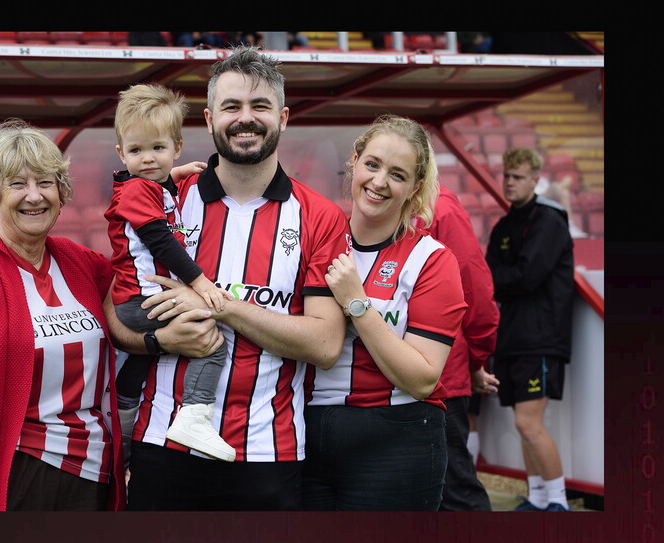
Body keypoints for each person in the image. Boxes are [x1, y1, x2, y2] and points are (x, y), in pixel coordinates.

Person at [0, 118, 220, 511]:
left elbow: (129, 315)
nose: (34, 196)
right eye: (17, 184)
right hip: (17, 477)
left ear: (62, 193)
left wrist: (158, 338)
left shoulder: (85, 266)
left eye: (45, 183)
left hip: (97, 477)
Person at [124, 45, 351, 511]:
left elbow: (326, 345)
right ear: (208, 120)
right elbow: (116, 309)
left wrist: (217, 304)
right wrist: (160, 340)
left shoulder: (319, 216)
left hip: (268, 452)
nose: (245, 118)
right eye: (231, 107)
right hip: (163, 444)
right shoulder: (164, 198)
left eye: (260, 106)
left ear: (283, 118)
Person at [303, 114, 468, 510]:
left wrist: (357, 305)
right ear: (355, 161)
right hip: (305, 432)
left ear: (414, 187)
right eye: (372, 165)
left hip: (397, 439)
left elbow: (423, 379)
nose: (378, 183)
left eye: (397, 175)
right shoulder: (314, 241)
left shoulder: (431, 259)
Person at [105, 83, 235, 463]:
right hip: (143, 299)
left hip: (138, 298)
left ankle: (122, 430)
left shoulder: (146, 185)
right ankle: (194, 417)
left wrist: (172, 175)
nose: (148, 159)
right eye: (136, 151)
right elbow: (161, 243)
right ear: (121, 153)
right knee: (210, 340)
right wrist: (201, 284)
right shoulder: (137, 192)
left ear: (177, 147)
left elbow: (149, 184)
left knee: (140, 365)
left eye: (158, 149)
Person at [485, 147, 575, 512]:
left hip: (540, 338)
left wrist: (499, 278)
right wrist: (501, 278)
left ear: (536, 180)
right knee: (522, 424)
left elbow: (526, 277)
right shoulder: (504, 225)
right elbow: (492, 277)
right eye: (507, 175)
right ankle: (538, 497)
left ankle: (559, 501)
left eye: (518, 176)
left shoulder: (549, 221)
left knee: (528, 423)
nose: (510, 182)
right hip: (511, 338)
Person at [419, 185, 500, 511]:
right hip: (409, 372)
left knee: (454, 488)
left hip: (440, 375)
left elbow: (474, 287)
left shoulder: (441, 209)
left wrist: (475, 361)